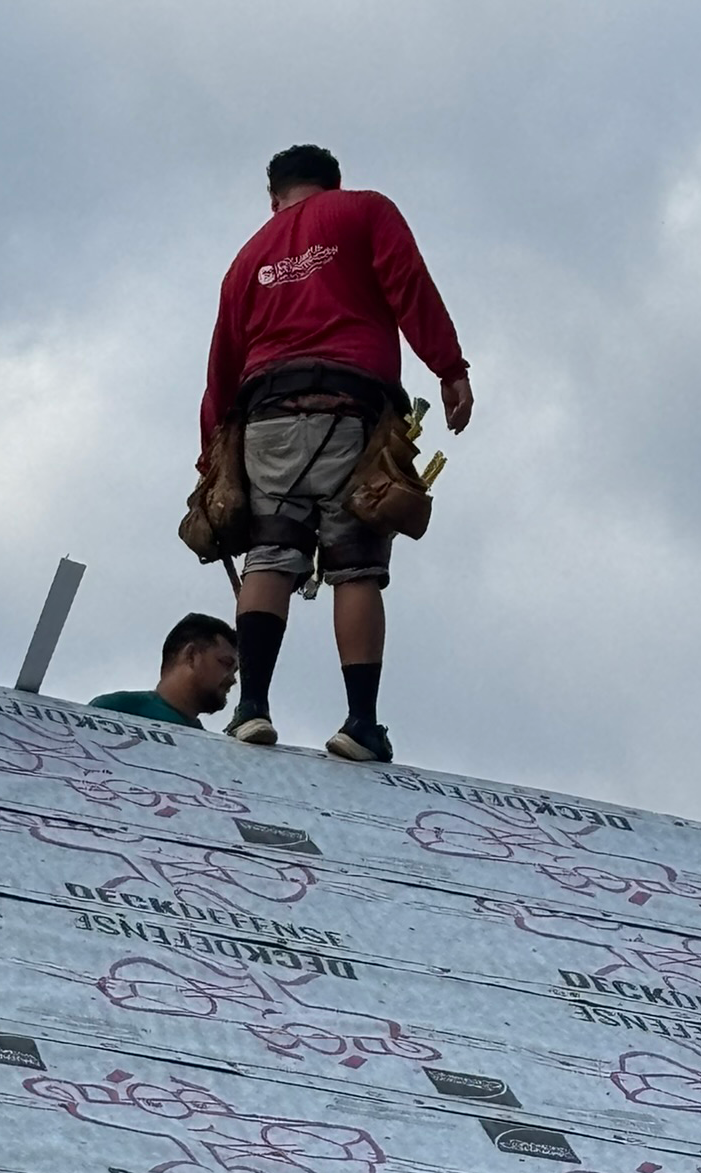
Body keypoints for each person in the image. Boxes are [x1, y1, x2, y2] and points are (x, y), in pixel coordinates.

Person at [200, 143, 473, 765]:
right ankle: (360, 724)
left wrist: (208, 454)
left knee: (270, 555)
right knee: (356, 565)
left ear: (274, 198)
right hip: (352, 411)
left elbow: (222, 364)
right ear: (334, 183)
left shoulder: (248, 258)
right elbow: (409, 285)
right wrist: (449, 367)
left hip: (266, 417)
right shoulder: (364, 211)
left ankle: (251, 709)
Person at [90, 612, 238, 729]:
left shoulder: (210, 747)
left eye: (235, 670)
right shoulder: (115, 710)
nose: (233, 679)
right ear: (191, 655)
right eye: (226, 663)